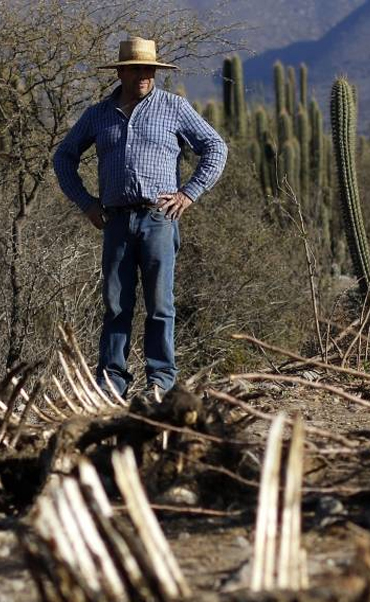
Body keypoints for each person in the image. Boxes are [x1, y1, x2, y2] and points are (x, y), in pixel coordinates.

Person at [54, 37, 227, 400]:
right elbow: (64, 157)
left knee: (160, 304)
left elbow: (215, 146)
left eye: (150, 69)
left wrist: (188, 193)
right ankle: (111, 382)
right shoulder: (97, 115)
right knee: (116, 304)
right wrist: (86, 203)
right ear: (121, 73)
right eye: (137, 69)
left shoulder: (174, 108)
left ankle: (160, 380)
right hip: (115, 221)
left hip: (158, 218)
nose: (145, 75)